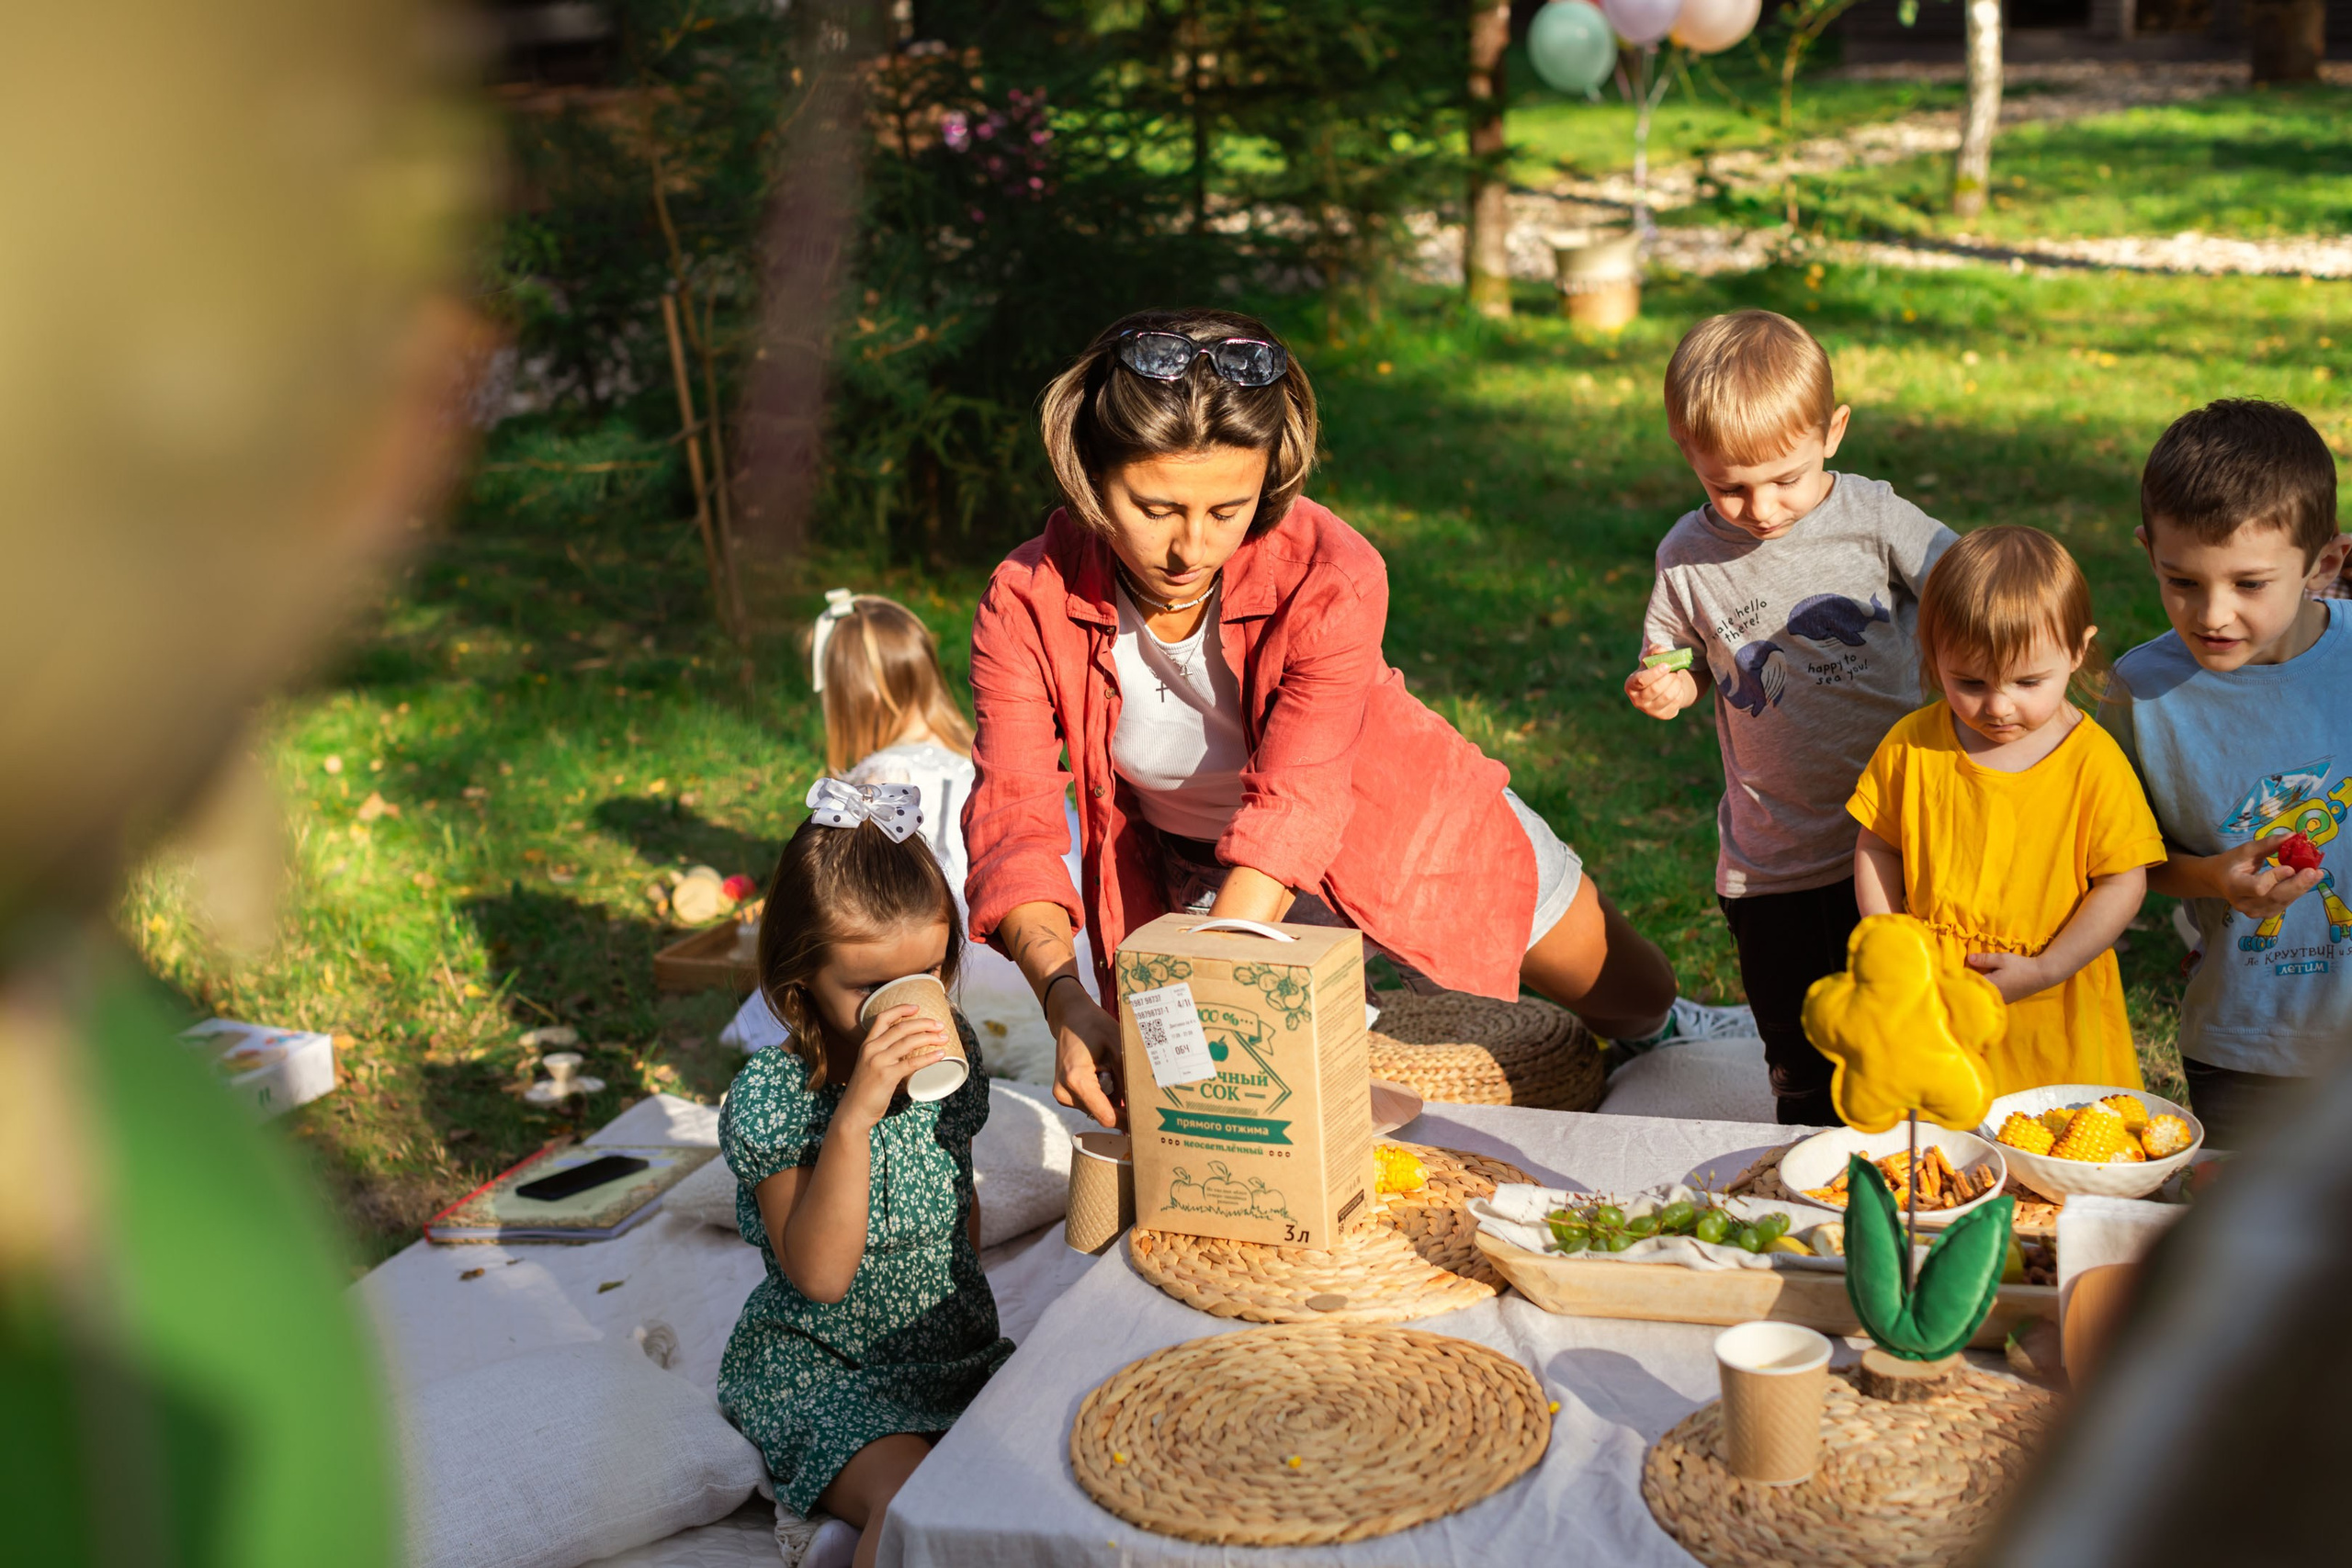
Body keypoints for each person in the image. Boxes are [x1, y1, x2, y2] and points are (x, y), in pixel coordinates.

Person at [961, 307, 1745, 1131]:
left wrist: (1224, 971)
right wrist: (1063, 996)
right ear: (1091, 473)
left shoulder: (1332, 570)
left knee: (1634, 995)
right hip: (1205, 884)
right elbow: (1013, 818)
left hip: (1395, 824)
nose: (1192, 548)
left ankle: (1671, 1027)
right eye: (1155, 508)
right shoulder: (1026, 600)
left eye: (1228, 510)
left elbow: (1297, 798)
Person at [1624, 310, 1957, 1124]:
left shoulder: (1874, 519)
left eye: (1786, 478)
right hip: (1766, 854)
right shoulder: (1685, 556)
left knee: (1898, 1030)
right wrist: (1667, 684)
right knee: (1797, 1049)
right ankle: (1807, 1168)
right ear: (1687, 454)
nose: (1761, 508)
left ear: (1833, 431)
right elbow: (1677, 654)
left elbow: (1968, 582)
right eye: (1726, 486)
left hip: (1890, 837)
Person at [717, 782, 1012, 1568]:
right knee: (919, 1494)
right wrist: (854, 1119)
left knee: (1032, 1458)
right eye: (871, 989)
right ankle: (851, 1523)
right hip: (825, 1370)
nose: (909, 1007)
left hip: (949, 1353)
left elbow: (959, 1196)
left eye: (927, 974)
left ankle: (839, 1535)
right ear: (798, 985)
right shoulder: (776, 1099)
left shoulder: (954, 1051)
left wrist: (966, 1307)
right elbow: (817, 1273)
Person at [2098, 400, 2352, 1147]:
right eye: (2181, 581)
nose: (2212, 614)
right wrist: (2212, 877)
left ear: (2325, 564)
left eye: (2249, 585)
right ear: (2149, 552)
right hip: (2243, 1041)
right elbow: (2124, 862)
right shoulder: (2140, 693)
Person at [724, 591, 1089, 1082]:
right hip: (1042, 955)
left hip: (923, 952)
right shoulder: (976, 760)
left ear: (852, 697)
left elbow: (849, 888)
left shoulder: (882, 777)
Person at [1849, 526, 2164, 1093]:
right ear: (1932, 653)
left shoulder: (2091, 762)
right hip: (1934, 995)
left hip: (2048, 996)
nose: (1997, 705)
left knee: (2051, 1147)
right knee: (1933, 1155)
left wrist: (2047, 968)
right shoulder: (1913, 744)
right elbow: (1878, 845)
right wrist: (1889, 939)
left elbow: (2123, 882)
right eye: (1968, 681)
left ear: (2076, 650)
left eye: (2027, 681)